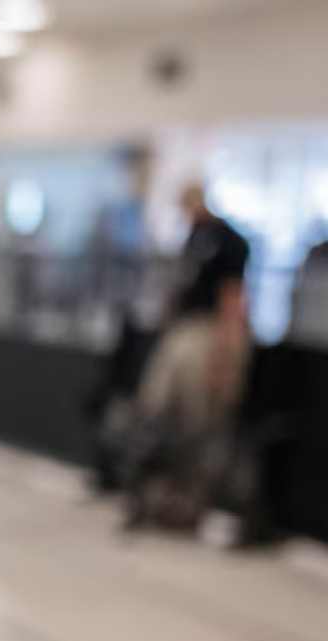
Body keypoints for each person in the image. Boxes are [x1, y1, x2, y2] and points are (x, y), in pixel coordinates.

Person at [121, 182, 253, 532]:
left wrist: (225, 352)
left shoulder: (229, 241)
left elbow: (232, 297)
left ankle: (191, 504)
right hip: (182, 329)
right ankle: (152, 494)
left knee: (199, 420)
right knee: (155, 406)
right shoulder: (192, 237)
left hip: (207, 332)